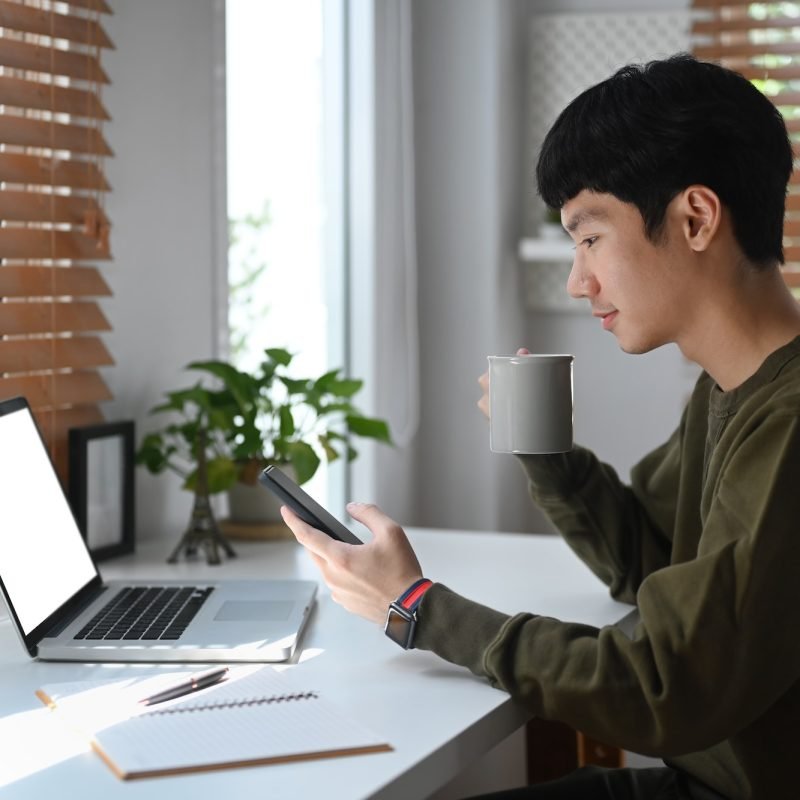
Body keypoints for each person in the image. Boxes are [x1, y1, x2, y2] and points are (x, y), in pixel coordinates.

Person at [280, 54, 800, 800]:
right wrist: (546, 451)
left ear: (695, 218)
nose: (577, 279)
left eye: (589, 238)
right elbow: (647, 560)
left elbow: (667, 684)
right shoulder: (727, 390)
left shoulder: (788, 422)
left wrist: (420, 609)